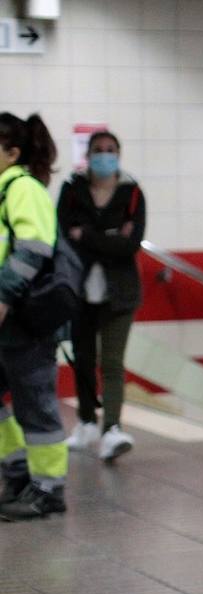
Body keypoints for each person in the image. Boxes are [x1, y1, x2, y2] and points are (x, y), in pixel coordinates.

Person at [57, 130, 146, 462]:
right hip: (79, 290)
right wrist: (110, 237)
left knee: (111, 362)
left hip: (120, 293)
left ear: (119, 155)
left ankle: (112, 428)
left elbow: (131, 243)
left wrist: (89, 236)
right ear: (88, 154)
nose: (104, 155)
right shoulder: (72, 189)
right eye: (98, 150)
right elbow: (65, 235)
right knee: (83, 359)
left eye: (110, 150)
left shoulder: (132, 192)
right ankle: (85, 423)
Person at [0, 112, 67, 520]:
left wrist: (3, 297)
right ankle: (18, 471)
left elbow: (32, 250)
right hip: (7, 317)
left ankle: (49, 487)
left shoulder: (23, 189)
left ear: (12, 152)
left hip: (25, 316)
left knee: (36, 402)